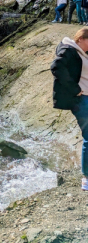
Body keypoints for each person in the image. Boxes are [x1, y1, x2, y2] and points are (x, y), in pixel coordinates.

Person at [51, 27, 88, 190]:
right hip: (81, 100)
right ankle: (86, 178)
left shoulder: (82, 52)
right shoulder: (69, 49)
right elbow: (56, 66)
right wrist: (75, 90)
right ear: (81, 38)